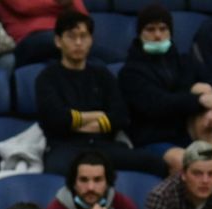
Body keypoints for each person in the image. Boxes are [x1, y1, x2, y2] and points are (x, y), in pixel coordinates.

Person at [35, 10, 168, 177]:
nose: (78, 42)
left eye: (84, 36)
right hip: (66, 147)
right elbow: (56, 119)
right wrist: (97, 115)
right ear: (58, 41)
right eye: (71, 36)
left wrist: (76, 122)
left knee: (156, 164)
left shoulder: (102, 74)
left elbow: (121, 116)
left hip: (104, 145)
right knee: (55, 172)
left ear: (91, 40)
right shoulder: (47, 77)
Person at [119, 4, 212, 174]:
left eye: (163, 29)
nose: (157, 35)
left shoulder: (185, 62)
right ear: (140, 33)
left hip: (187, 133)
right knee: (185, 161)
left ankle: (210, 169)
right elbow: (156, 105)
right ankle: (208, 169)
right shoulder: (130, 72)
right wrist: (199, 100)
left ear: (170, 32)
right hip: (152, 139)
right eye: (150, 29)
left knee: (207, 95)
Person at [0, 0, 88, 68]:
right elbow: (25, 6)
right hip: (28, 39)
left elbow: (83, 17)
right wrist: (60, 3)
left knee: (98, 54)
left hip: (63, 36)